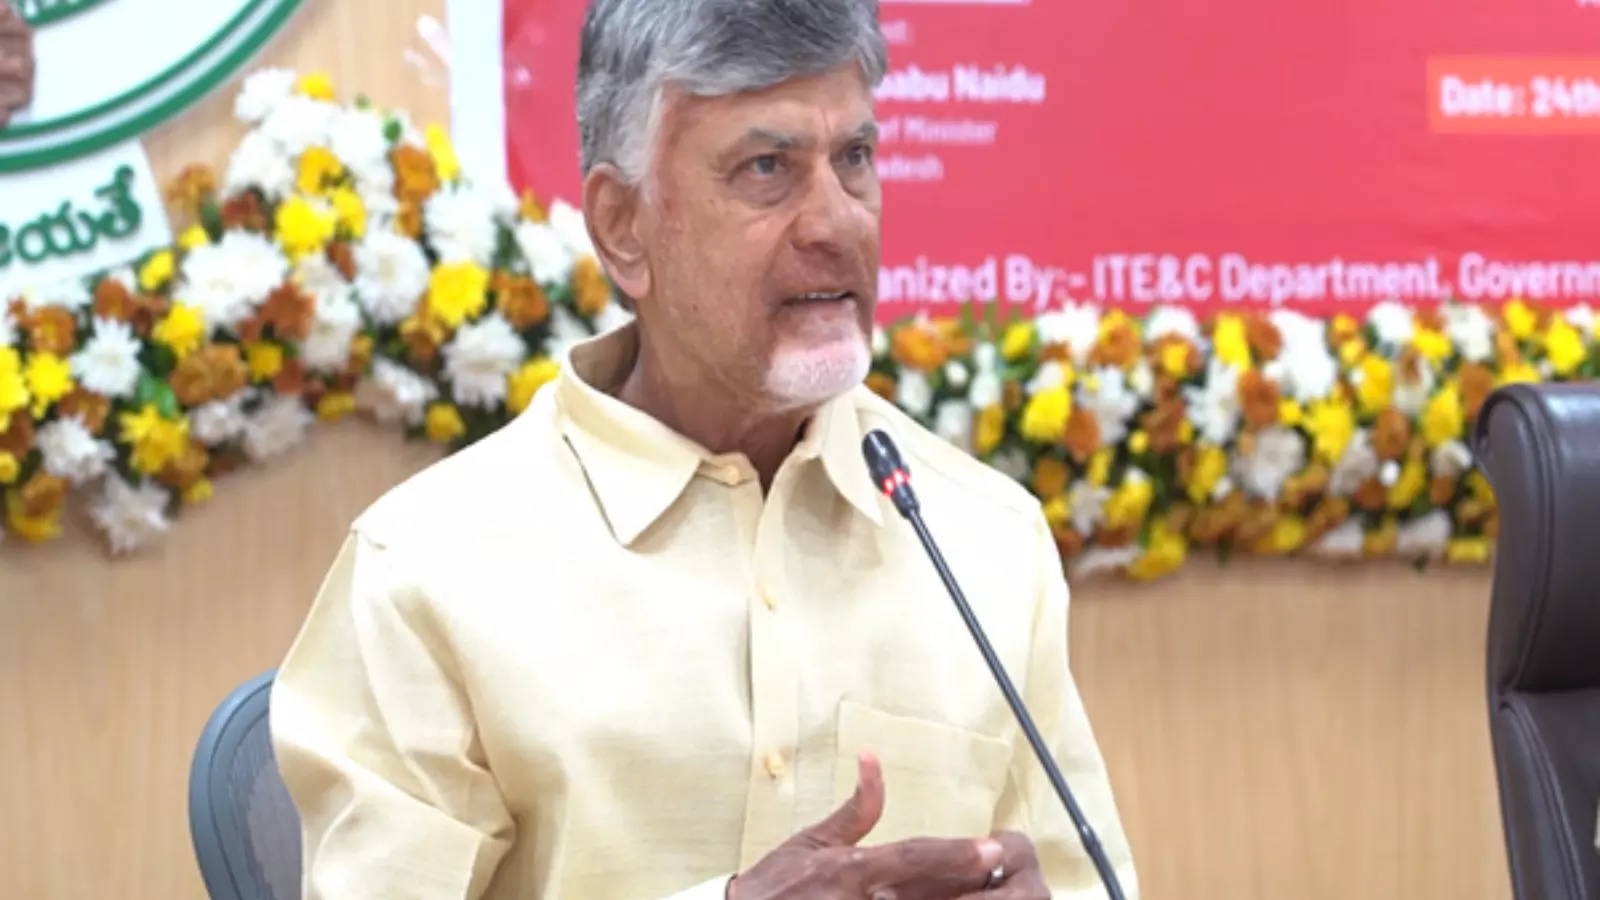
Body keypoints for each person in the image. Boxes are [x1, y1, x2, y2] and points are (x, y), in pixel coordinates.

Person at [268, 0, 1139, 897]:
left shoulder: (984, 542)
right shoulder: (427, 571)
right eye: (768, 168)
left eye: (855, 159)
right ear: (623, 227)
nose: (836, 223)